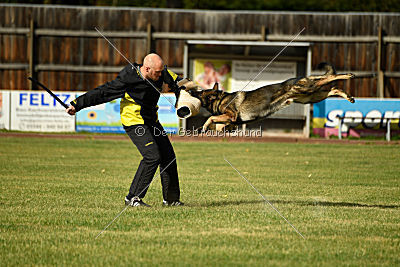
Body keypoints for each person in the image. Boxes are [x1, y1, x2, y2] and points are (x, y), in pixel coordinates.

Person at [66, 53, 184, 207]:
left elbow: (178, 81)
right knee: (152, 156)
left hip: (151, 121)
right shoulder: (128, 78)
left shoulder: (161, 73)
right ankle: (132, 198)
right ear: (147, 69)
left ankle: (171, 200)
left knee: (168, 156)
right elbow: (103, 92)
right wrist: (77, 104)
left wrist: (188, 89)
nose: (161, 75)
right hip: (134, 122)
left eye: (162, 71)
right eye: (158, 72)